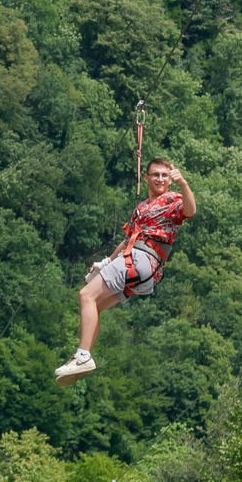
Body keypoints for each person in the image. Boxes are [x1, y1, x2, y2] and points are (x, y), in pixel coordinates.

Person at [57, 159, 195, 383]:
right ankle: (84, 357)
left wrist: (184, 184)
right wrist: (106, 262)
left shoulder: (173, 200)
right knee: (96, 306)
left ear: (170, 179)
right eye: (155, 175)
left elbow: (190, 210)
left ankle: (82, 355)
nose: (160, 179)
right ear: (147, 177)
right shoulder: (141, 208)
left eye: (164, 175)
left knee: (85, 295)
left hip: (142, 258)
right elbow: (128, 239)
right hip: (142, 269)